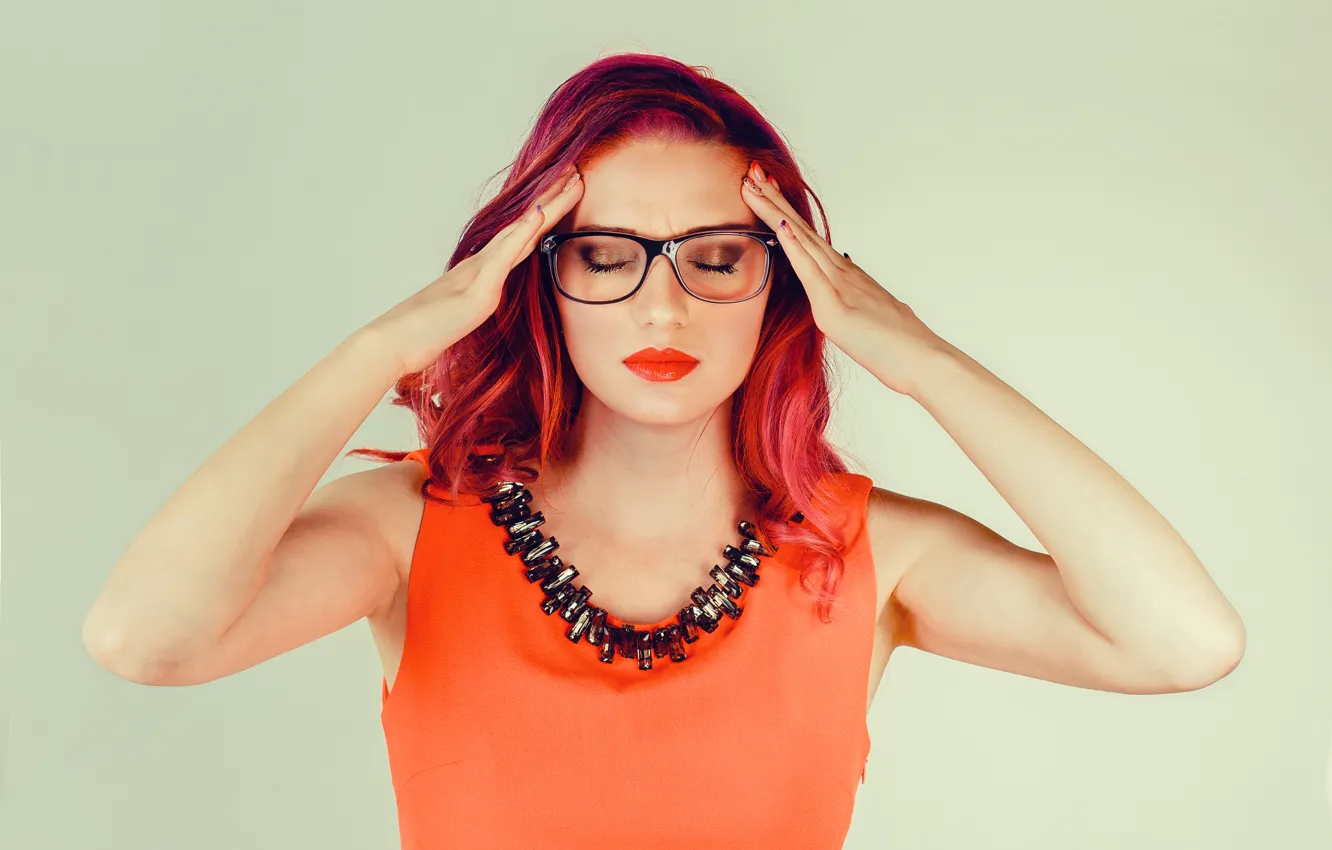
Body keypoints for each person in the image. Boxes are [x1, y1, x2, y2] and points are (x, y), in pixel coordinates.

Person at [81, 53, 1246, 849]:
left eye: (714, 257)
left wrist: (923, 358)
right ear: (540, 278)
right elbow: (146, 637)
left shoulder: (867, 551)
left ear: (779, 283)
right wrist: (397, 336)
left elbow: (1184, 641)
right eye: (607, 256)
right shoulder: (411, 527)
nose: (662, 308)